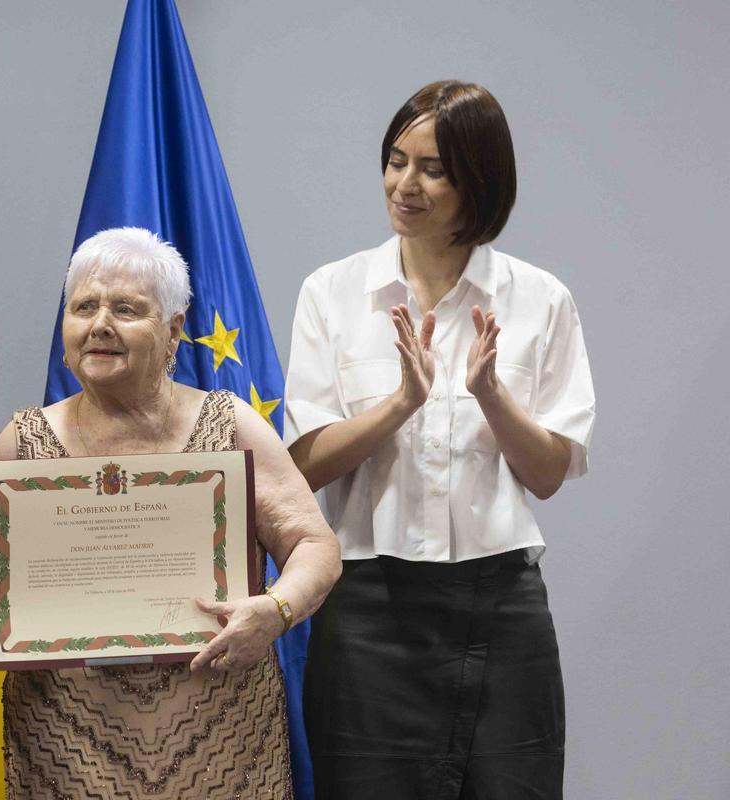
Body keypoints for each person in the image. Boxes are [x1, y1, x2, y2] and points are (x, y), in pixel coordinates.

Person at [0, 227, 341, 799]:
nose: (99, 324)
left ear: (173, 328)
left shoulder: (231, 429)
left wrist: (276, 611)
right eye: (84, 307)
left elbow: (315, 546)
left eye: (125, 309)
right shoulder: (24, 441)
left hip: (221, 743)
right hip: (68, 743)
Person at [284, 81, 596, 799]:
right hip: (368, 608)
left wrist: (491, 395)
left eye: (432, 169)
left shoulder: (539, 299)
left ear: (479, 181)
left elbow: (547, 473)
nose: (405, 184)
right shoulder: (331, 292)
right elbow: (304, 464)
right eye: (395, 161)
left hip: (502, 607)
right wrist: (401, 404)